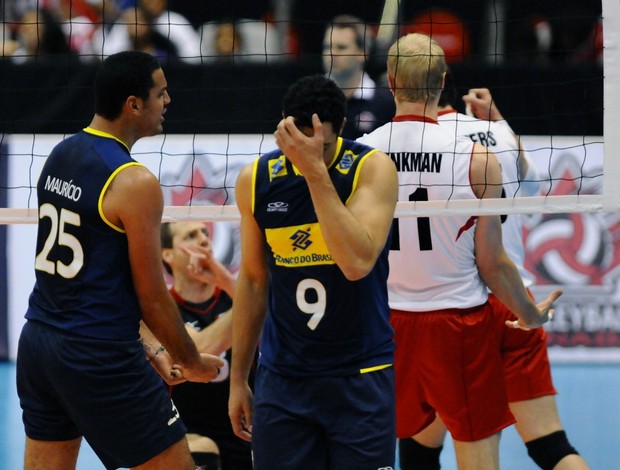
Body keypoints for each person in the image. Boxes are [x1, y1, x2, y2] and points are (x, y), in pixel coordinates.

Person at [357, 33, 562, 470]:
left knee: (407, 455)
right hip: (458, 323)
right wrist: (529, 313)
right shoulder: (476, 158)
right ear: (443, 80)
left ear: (390, 82)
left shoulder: (361, 154)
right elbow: (492, 263)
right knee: (478, 457)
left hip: (388, 323)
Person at [16, 50, 223, 470]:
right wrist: (191, 360)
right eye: (161, 93)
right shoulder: (134, 181)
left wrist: (148, 346)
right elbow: (151, 295)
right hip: (98, 356)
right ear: (133, 104)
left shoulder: (62, 153)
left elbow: (95, 278)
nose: (168, 101)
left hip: (39, 343)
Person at [395, 87, 591, 469]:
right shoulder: (497, 134)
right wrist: (496, 118)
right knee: (551, 445)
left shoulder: (418, 144)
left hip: (459, 308)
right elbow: (533, 184)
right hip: (518, 300)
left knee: (421, 449)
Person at [228, 74, 398, 470]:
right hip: (284, 379)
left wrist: (314, 174)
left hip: (360, 375)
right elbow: (253, 280)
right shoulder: (255, 180)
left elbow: (356, 264)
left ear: (340, 129)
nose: (304, 155)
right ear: (283, 124)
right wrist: (239, 378)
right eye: (296, 146)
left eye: (317, 148)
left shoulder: (371, 169)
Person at [161, 221, 254, 470]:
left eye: (204, 232)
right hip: (191, 432)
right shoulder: (163, 309)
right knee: (202, 449)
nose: (203, 239)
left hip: (249, 430)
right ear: (166, 254)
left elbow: (269, 324)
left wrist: (227, 281)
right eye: (191, 236)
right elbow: (194, 350)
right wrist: (252, 297)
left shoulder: (230, 295)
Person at [322, 14, 395, 139]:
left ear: (363, 53)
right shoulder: (308, 97)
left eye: (341, 47)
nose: (332, 54)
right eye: (327, 47)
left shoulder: (386, 104)